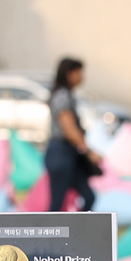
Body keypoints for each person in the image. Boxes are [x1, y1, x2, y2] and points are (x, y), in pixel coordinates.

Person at [45, 58, 100, 211]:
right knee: (57, 204)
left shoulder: (67, 95)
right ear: (69, 74)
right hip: (60, 153)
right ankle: (47, 233)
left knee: (89, 197)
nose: (82, 77)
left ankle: (78, 231)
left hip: (69, 153)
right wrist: (89, 151)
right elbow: (69, 130)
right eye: (79, 73)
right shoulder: (62, 96)